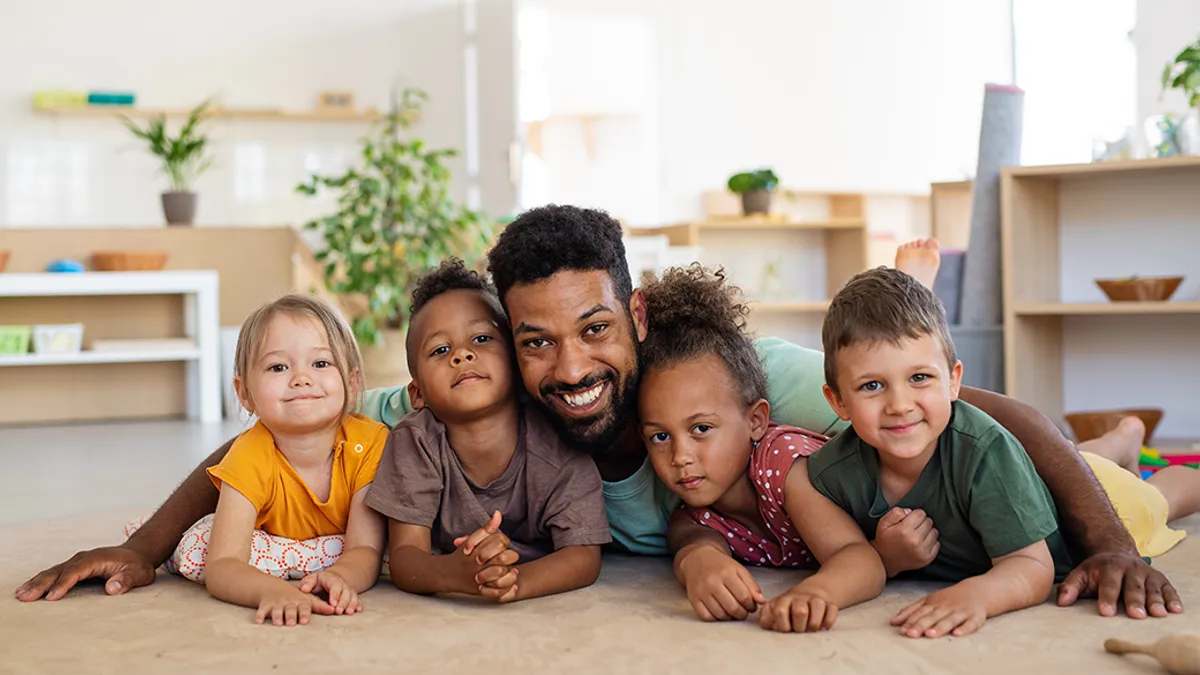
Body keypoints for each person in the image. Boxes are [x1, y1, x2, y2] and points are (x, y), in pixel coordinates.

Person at [15, 206, 1182, 621]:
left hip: (973, 494)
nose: (567, 365)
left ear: (631, 311)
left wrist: (1109, 545)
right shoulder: (463, 404)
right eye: (533, 341)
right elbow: (276, 432)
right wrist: (139, 539)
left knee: (1116, 470)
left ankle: (1143, 455)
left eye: (591, 329)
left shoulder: (734, 383)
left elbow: (1006, 415)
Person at [808, 267, 1197, 639]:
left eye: (920, 378)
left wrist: (978, 595)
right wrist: (884, 556)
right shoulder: (832, 471)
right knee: (1085, 457)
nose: (899, 405)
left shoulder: (984, 449)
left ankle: (1143, 449)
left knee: (1155, 497)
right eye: (872, 386)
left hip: (1098, 505)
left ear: (954, 381)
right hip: (1034, 472)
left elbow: (1032, 567)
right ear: (838, 401)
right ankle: (1125, 438)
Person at [637, 263, 885, 632]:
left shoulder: (781, 464)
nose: (680, 457)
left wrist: (815, 592)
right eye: (660, 436)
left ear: (756, 421)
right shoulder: (696, 512)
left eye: (701, 428)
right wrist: (699, 564)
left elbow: (860, 559)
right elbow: (692, 540)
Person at [365, 259, 610, 603]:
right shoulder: (415, 441)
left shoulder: (557, 439)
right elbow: (406, 558)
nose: (462, 355)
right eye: (440, 350)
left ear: (517, 359)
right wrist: (455, 574)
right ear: (417, 393)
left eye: (481, 338)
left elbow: (583, 556)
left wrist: (511, 582)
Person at [188, 295, 388, 627]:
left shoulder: (370, 443)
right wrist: (272, 591)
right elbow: (222, 564)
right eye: (278, 367)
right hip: (271, 545)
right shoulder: (249, 454)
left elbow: (365, 549)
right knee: (197, 548)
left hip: (343, 549)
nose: (301, 378)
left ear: (353, 384)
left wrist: (339, 578)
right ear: (244, 394)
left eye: (321, 364)